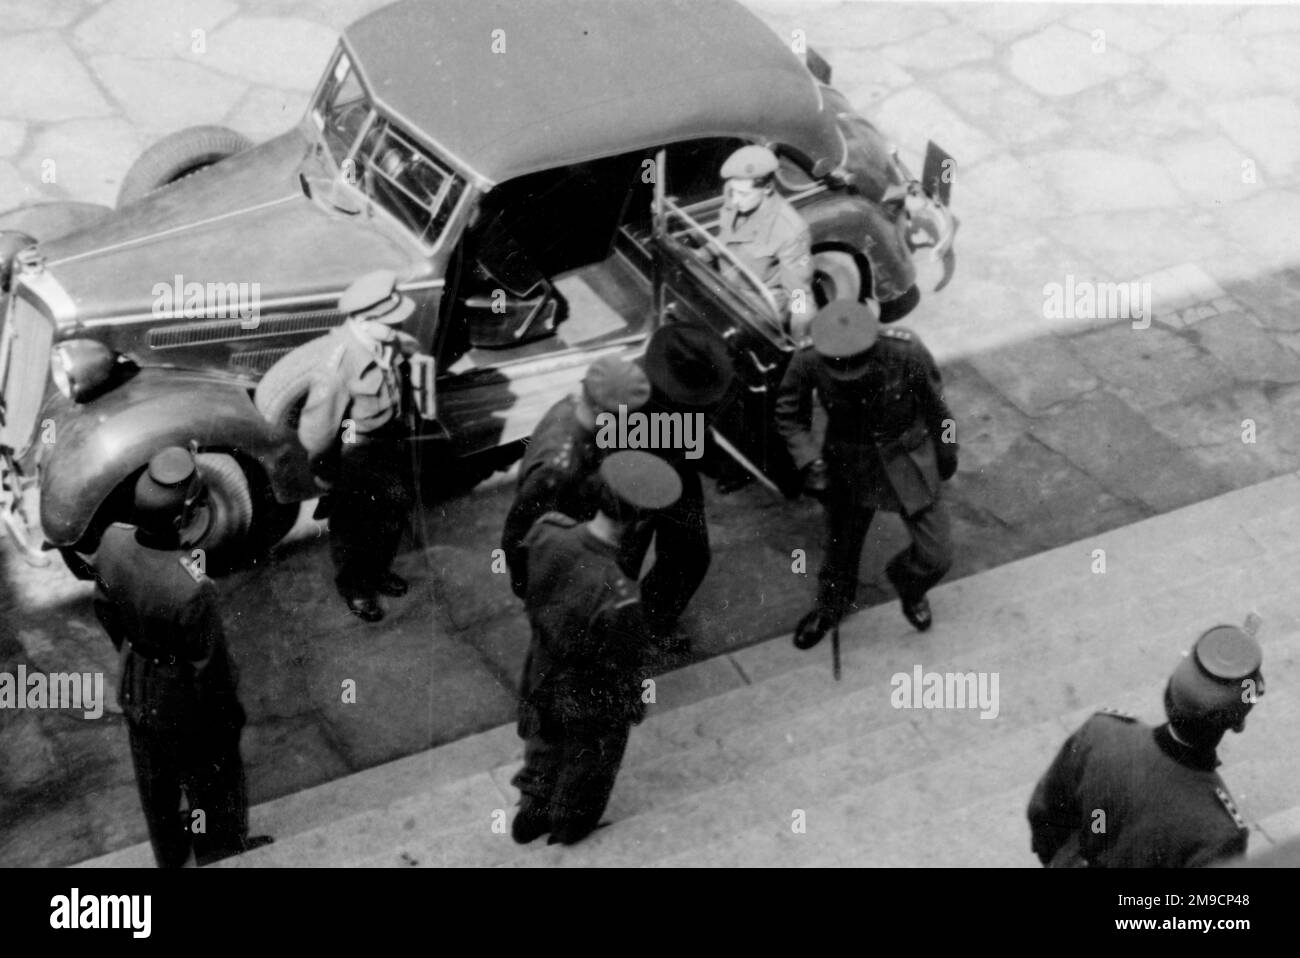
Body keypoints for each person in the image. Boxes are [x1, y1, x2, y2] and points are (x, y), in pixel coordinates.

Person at [88, 446, 270, 867]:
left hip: (136, 683)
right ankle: (218, 851)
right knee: (211, 782)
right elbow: (210, 670)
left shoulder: (113, 541)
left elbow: (104, 608)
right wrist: (230, 716)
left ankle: (171, 858)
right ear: (179, 519)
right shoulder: (192, 585)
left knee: (157, 788)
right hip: (185, 703)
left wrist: (138, 652)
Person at [510, 450, 682, 846]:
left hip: (542, 662)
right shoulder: (620, 594)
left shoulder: (548, 530)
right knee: (592, 757)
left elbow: (524, 577)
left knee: (543, 735)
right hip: (589, 690)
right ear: (641, 519)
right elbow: (623, 661)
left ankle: (532, 807)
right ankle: (571, 825)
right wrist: (632, 703)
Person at [775, 300, 958, 649]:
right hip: (847, 462)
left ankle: (910, 585)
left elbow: (939, 407)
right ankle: (831, 607)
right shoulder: (809, 357)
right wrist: (810, 461)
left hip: (907, 460)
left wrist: (947, 452)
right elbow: (788, 415)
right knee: (840, 546)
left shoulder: (906, 349)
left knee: (937, 555)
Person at [1027, 624, 1265, 868]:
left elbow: (1044, 813)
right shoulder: (1219, 832)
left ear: (1169, 693)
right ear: (1238, 724)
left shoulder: (1101, 731)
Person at [295, 269, 419, 622]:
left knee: (392, 515)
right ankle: (357, 588)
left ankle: (378, 572)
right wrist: (328, 472)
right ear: (364, 320)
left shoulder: (382, 341)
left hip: (388, 445)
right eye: (389, 322)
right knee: (354, 531)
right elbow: (316, 434)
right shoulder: (336, 364)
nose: (397, 328)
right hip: (357, 455)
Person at [622, 322, 735, 650]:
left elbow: (699, 433)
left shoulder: (704, 379)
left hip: (677, 476)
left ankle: (653, 620)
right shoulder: (627, 392)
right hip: (629, 482)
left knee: (690, 556)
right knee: (619, 566)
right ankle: (607, 640)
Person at [501, 355, 651, 597]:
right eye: (626, 420)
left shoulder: (570, 407)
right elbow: (519, 534)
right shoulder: (558, 471)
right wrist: (529, 587)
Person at [707, 144, 816, 340]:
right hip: (724, 286)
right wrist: (705, 252)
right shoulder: (735, 192)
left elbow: (799, 295)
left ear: (767, 188)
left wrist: (800, 339)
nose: (735, 201)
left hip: (758, 307)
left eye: (744, 194)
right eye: (733, 192)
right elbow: (726, 236)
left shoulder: (789, 230)